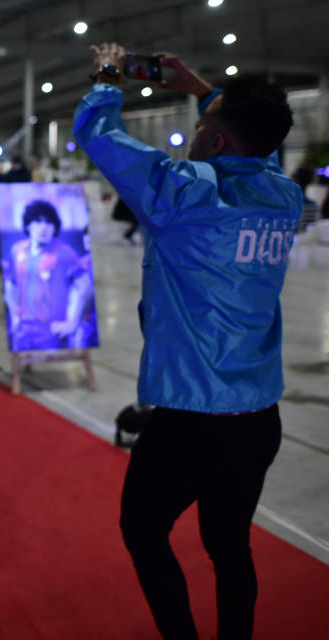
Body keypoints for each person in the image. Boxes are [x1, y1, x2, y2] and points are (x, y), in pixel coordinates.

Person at [74, 43, 301, 639]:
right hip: (259, 418)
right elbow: (259, 144)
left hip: (194, 419)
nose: (194, 137)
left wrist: (106, 74)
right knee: (229, 546)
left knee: (142, 531)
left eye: (201, 128)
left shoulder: (185, 195)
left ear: (216, 143)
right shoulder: (282, 196)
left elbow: (97, 133)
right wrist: (200, 89)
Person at [1, 199, 92, 351]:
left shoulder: (64, 253)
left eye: (48, 223)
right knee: (21, 361)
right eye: (37, 222)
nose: (43, 227)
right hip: (22, 329)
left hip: (51, 332)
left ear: (54, 227)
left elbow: (85, 286)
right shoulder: (18, 250)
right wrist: (14, 315)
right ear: (28, 226)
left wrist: (73, 322)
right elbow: (9, 283)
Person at [0, 155, 32, 274]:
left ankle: (6, 266)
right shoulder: (12, 178)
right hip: (7, 215)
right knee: (0, 241)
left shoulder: (17, 177)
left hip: (15, 215)